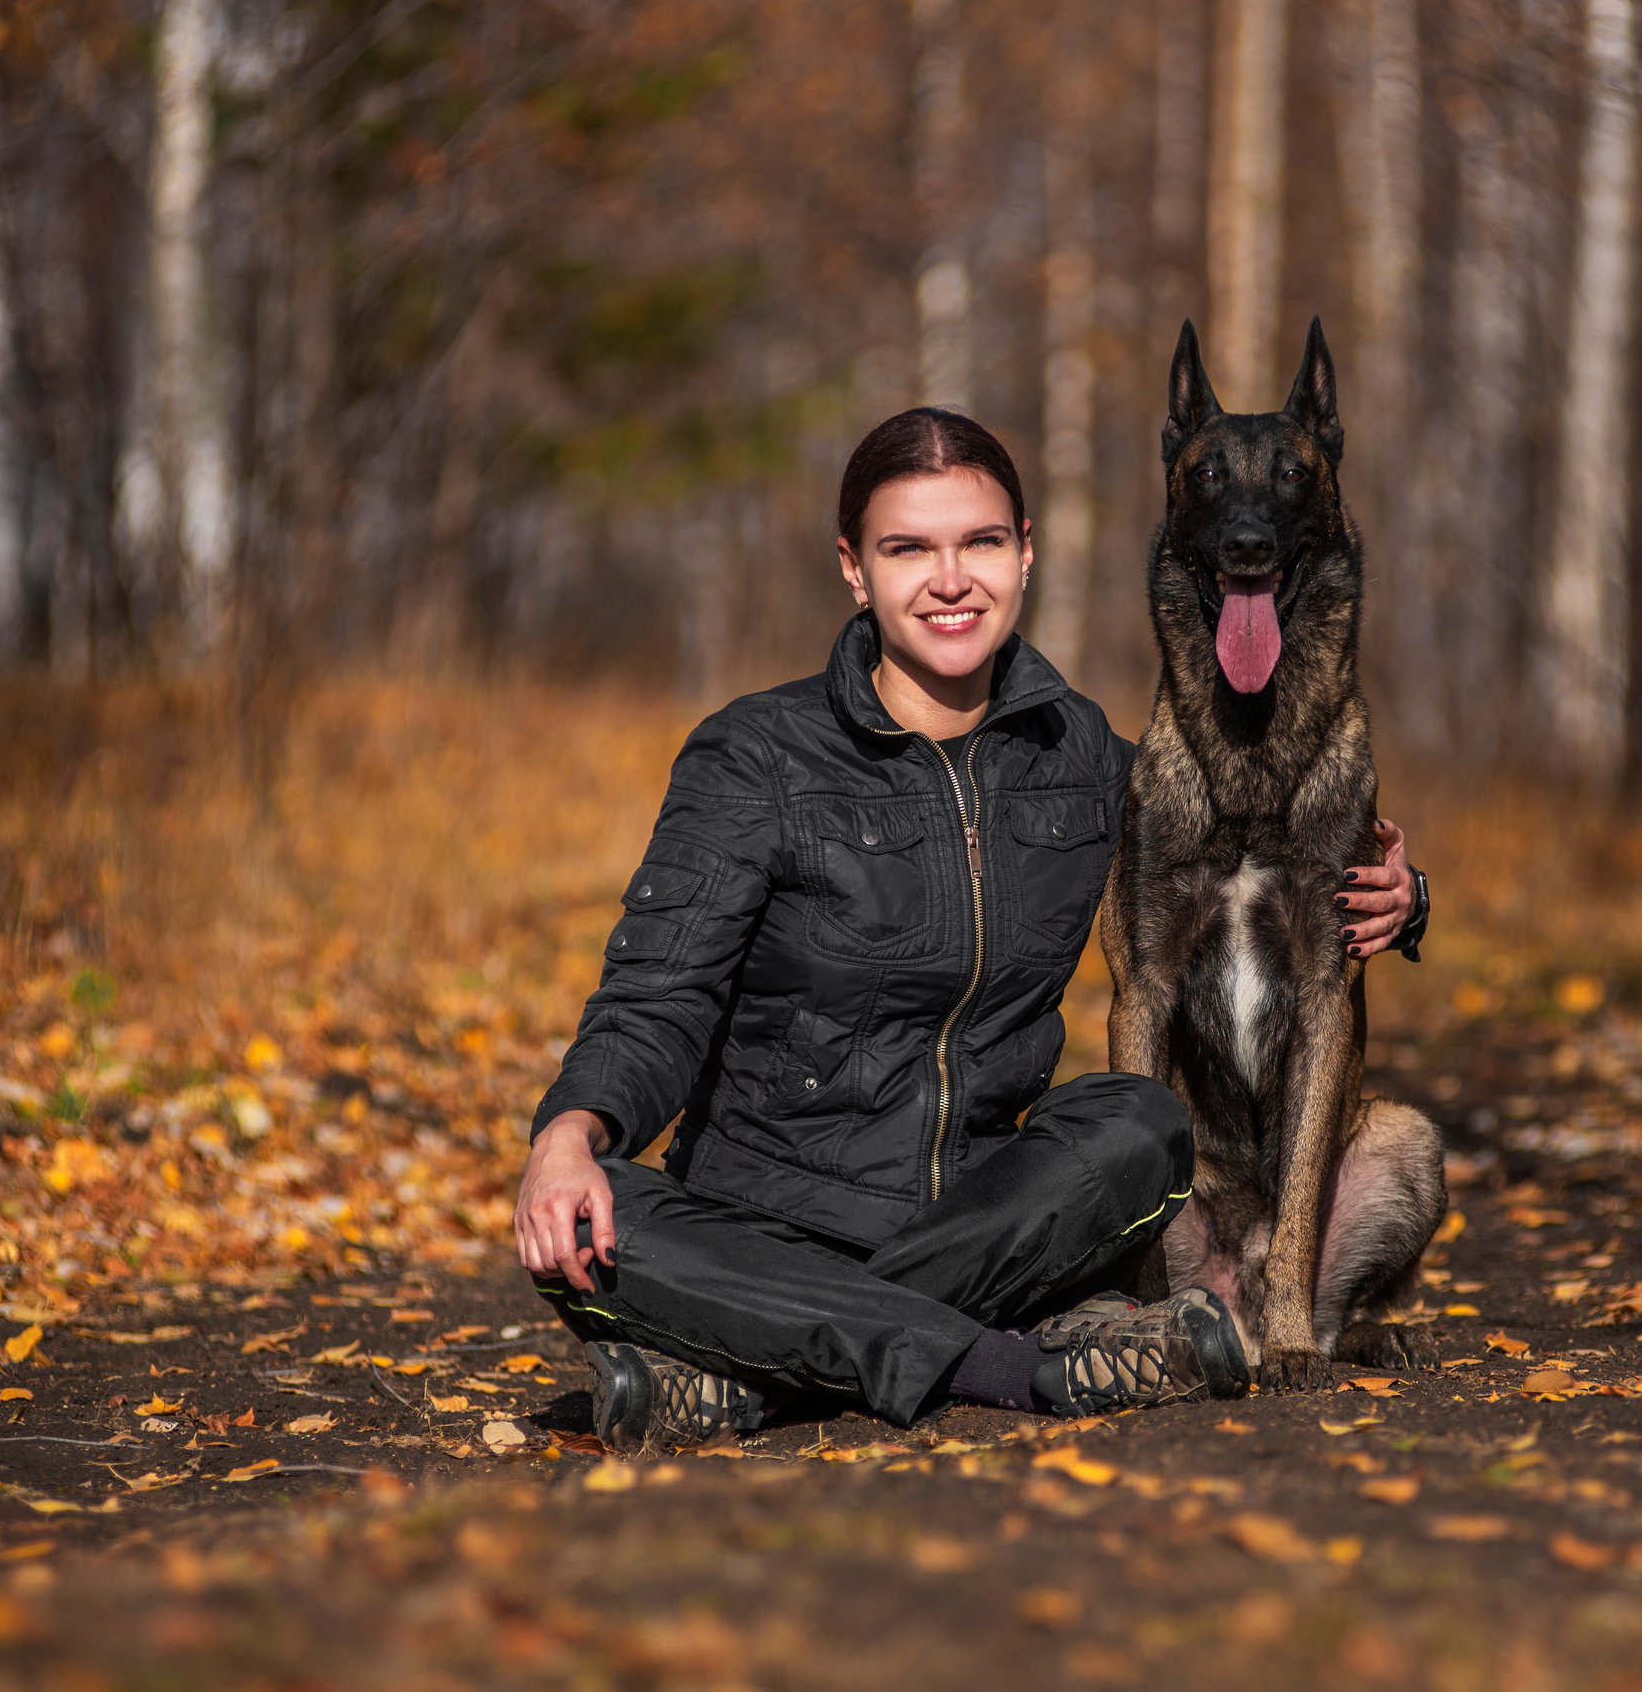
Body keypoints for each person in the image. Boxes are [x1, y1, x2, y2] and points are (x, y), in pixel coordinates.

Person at [513, 408, 1426, 1452]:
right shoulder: (753, 756)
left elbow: (1248, 846)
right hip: (761, 1219)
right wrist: (570, 1134)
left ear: (1024, 554)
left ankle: (757, 1372)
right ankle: (1015, 1367)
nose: (951, 580)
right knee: (592, 1221)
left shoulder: (1081, 753)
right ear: (854, 569)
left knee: (1137, 1125)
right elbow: (656, 995)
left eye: (980, 544)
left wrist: (1404, 892)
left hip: (984, 1225)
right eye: (909, 549)